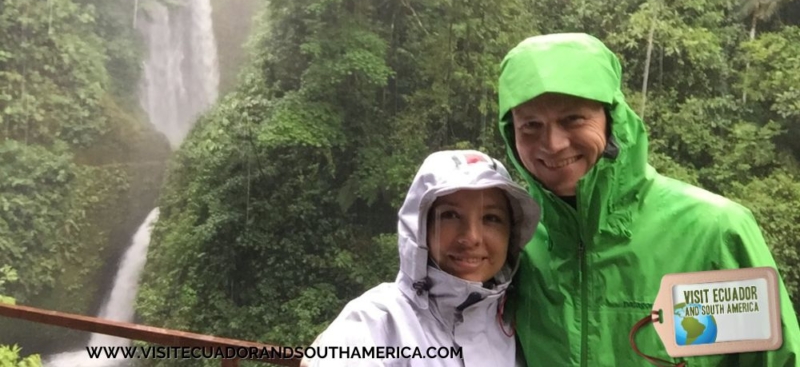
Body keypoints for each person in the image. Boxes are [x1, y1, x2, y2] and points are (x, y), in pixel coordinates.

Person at [497, 32, 800, 366]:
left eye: (573, 119)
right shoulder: (511, 243)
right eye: (531, 126)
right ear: (511, 135)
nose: (552, 143)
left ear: (613, 120)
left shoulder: (713, 234)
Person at [301, 150, 540, 366]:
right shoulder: (377, 322)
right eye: (450, 215)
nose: (471, 237)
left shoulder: (523, 324)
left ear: (512, 233)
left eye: (491, 218)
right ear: (420, 227)